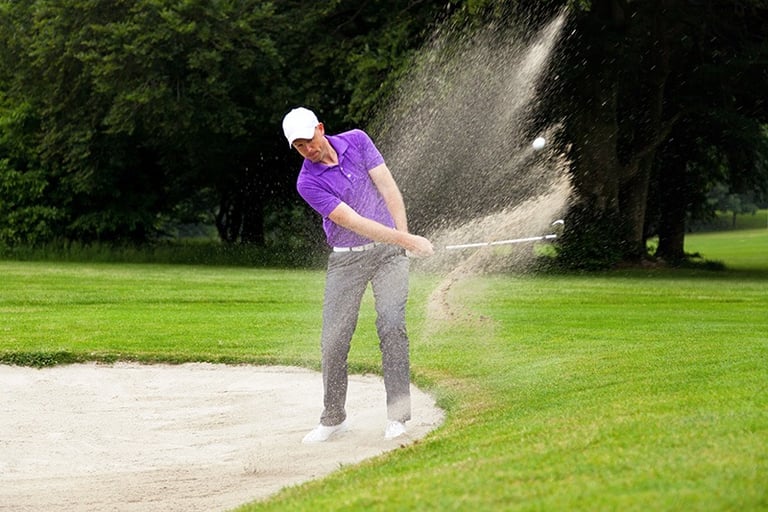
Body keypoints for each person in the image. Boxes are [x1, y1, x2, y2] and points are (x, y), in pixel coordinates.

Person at [281, 106, 434, 443]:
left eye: (309, 141)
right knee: (333, 340)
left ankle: (397, 417)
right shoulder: (307, 182)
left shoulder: (358, 141)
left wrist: (402, 241)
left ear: (321, 128)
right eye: (299, 147)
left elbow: (390, 190)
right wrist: (407, 240)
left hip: (388, 255)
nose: (308, 150)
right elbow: (353, 221)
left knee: (392, 326)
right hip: (346, 260)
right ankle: (334, 419)